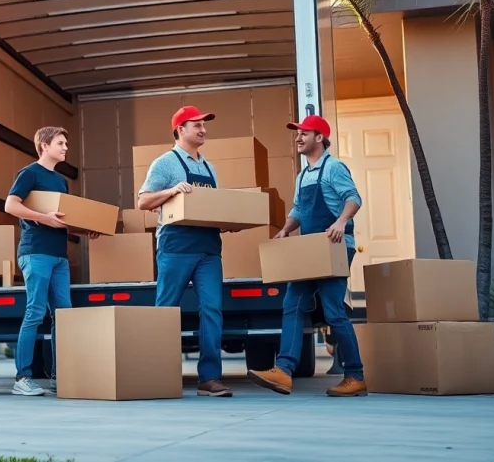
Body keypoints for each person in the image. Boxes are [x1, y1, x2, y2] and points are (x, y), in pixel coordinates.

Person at [247, 115, 367, 397]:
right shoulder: (302, 176)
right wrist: (285, 230)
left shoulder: (334, 167)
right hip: (309, 249)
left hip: (335, 246)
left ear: (320, 138)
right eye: (297, 133)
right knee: (292, 304)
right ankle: (284, 371)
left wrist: (339, 222)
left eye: (304, 133)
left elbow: (354, 199)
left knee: (334, 311)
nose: (298, 137)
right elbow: (299, 210)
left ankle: (355, 375)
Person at [137, 106, 233, 398]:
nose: (203, 130)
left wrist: (228, 221)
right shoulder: (165, 164)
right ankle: (159, 374)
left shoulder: (209, 168)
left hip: (208, 249)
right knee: (166, 311)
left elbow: (210, 206)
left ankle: (210, 378)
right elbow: (143, 202)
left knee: (212, 310)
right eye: (197, 125)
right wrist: (172, 191)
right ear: (180, 129)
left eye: (204, 125)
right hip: (176, 247)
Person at [5, 126, 98, 396]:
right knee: (35, 311)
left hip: (59, 256)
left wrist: (84, 229)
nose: (66, 147)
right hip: (36, 252)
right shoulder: (29, 173)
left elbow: (62, 220)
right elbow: (10, 205)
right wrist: (42, 217)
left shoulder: (60, 181)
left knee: (63, 314)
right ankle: (22, 378)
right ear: (44, 146)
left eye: (66, 143)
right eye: (60, 142)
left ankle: (59, 374)